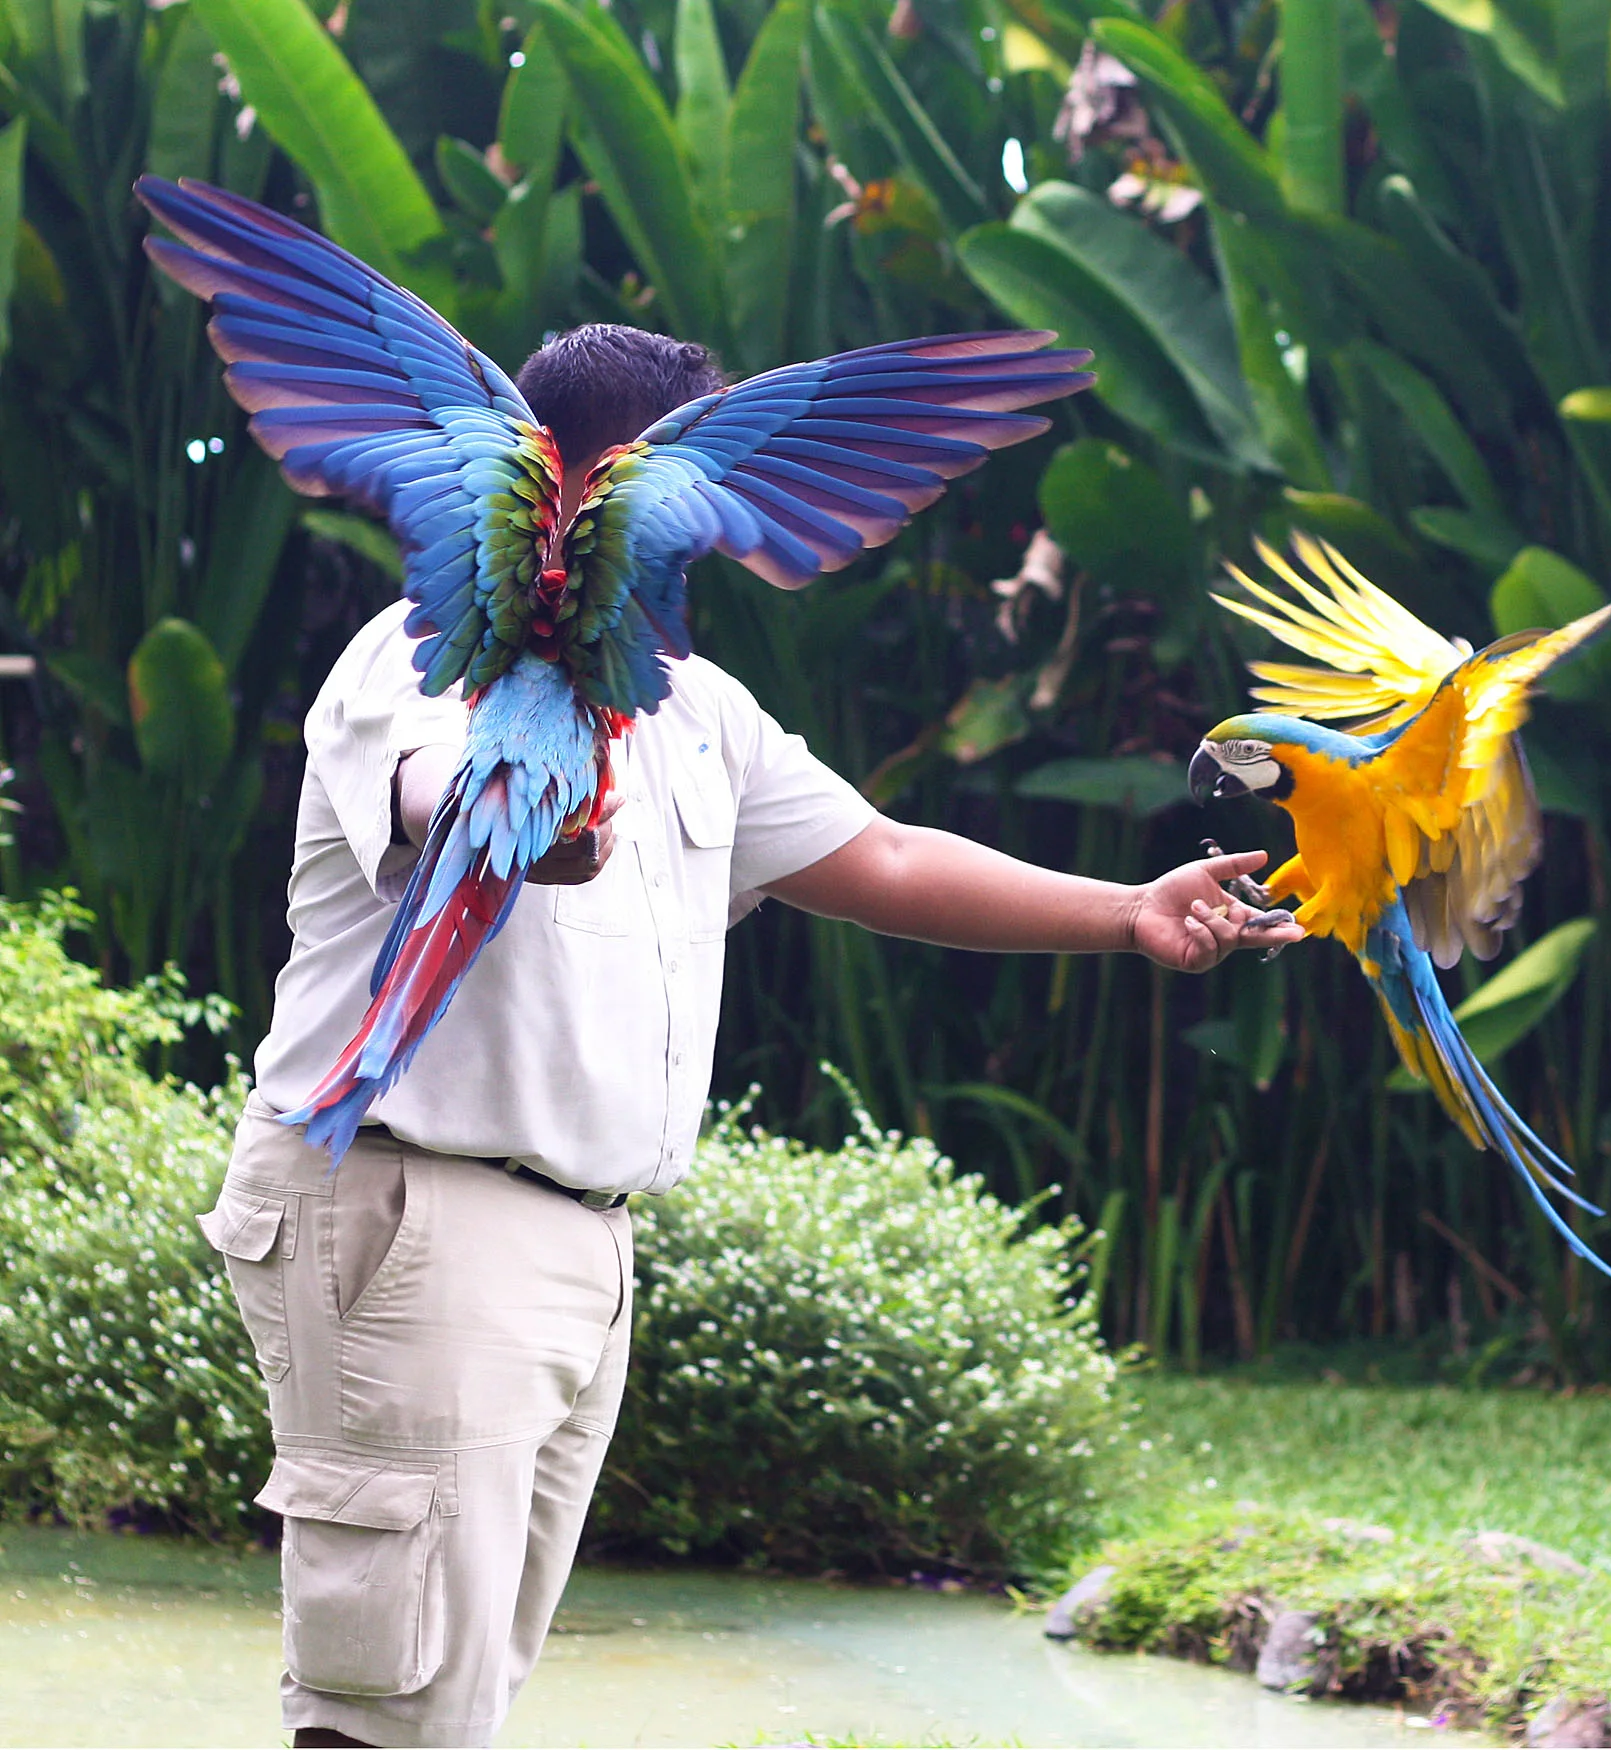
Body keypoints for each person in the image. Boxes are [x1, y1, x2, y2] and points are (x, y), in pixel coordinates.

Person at [197, 324, 1300, 1749]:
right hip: (413, 1209)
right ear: (604, 478)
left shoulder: (693, 709)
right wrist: (518, 829)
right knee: (387, 1694)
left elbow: (887, 857)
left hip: (584, 1243)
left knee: (459, 1692)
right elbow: (424, 780)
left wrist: (1130, 912)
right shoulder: (422, 656)